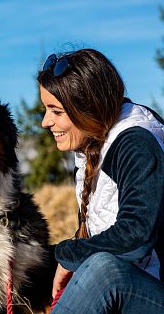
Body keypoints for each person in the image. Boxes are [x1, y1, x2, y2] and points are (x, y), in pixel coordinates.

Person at [37, 48, 164, 313]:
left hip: (154, 289)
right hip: (142, 282)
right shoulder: (90, 147)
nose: (45, 122)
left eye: (56, 111)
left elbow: (136, 236)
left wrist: (71, 256)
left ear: (88, 108)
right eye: (45, 110)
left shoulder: (135, 144)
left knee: (104, 271)